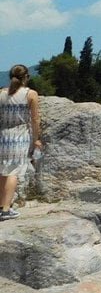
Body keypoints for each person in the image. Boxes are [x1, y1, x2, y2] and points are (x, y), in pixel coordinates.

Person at [0, 65, 41, 220]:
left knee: (2, 171)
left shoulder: (1, 94)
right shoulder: (30, 94)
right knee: (13, 171)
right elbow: (35, 119)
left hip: (3, 135)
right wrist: (36, 138)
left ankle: (1, 205)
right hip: (20, 136)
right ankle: (6, 209)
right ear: (26, 77)